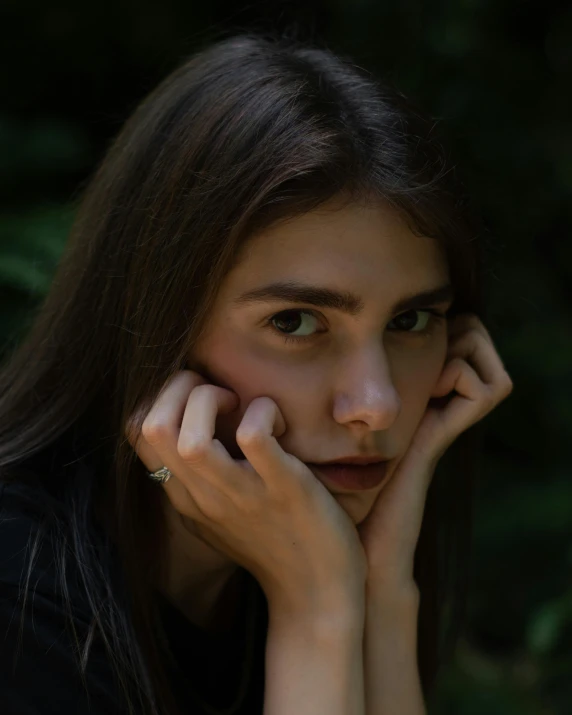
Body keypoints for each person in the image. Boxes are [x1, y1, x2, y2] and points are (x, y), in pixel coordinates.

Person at [0, 30, 513, 715]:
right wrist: (317, 615)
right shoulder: (18, 600)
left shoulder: (315, 555)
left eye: (410, 322)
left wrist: (382, 591)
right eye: (296, 322)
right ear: (156, 325)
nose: (378, 404)